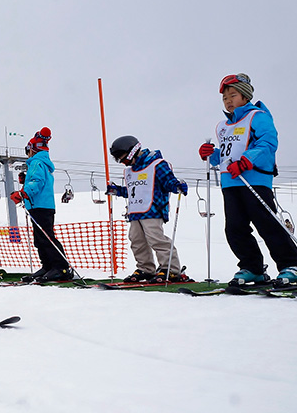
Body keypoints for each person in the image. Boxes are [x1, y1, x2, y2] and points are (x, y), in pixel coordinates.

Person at [199, 74, 297, 287]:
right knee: (235, 228)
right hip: (231, 183)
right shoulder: (223, 126)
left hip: (254, 180)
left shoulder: (257, 116)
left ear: (245, 96)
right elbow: (226, 156)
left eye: (233, 95)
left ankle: (291, 264)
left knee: (267, 224)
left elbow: (267, 143)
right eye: (225, 98)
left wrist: (246, 161)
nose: (228, 101)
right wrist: (211, 154)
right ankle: (252, 268)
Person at [107, 135, 189, 283]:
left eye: (125, 159)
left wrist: (177, 186)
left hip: (153, 209)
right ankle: (145, 268)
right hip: (135, 211)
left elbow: (168, 182)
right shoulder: (131, 171)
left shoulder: (156, 164)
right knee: (136, 240)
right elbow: (133, 191)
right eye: (121, 162)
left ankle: (170, 269)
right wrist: (118, 190)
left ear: (132, 151)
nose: (125, 164)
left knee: (156, 239)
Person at [10, 128, 72, 282]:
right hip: (37, 205)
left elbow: (37, 182)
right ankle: (48, 265)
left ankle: (61, 267)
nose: (27, 154)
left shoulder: (37, 162)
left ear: (32, 149)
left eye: (27, 150)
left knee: (46, 237)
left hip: (41, 206)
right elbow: (37, 182)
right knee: (39, 239)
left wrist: (23, 193)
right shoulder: (38, 164)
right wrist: (25, 182)